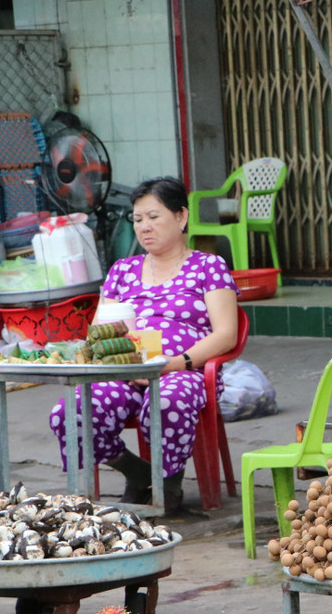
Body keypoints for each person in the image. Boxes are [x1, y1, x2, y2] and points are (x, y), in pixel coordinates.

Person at [49, 177, 239, 513]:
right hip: (126, 369)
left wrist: (175, 362)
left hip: (183, 369)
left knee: (167, 399)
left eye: (153, 217)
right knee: (70, 411)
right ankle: (137, 473)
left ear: (181, 217)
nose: (144, 227)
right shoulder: (123, 271)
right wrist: (117, 364)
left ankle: (169, 487)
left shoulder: (208, 267)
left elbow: (226, 334)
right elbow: (100, 331)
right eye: (137, 220)